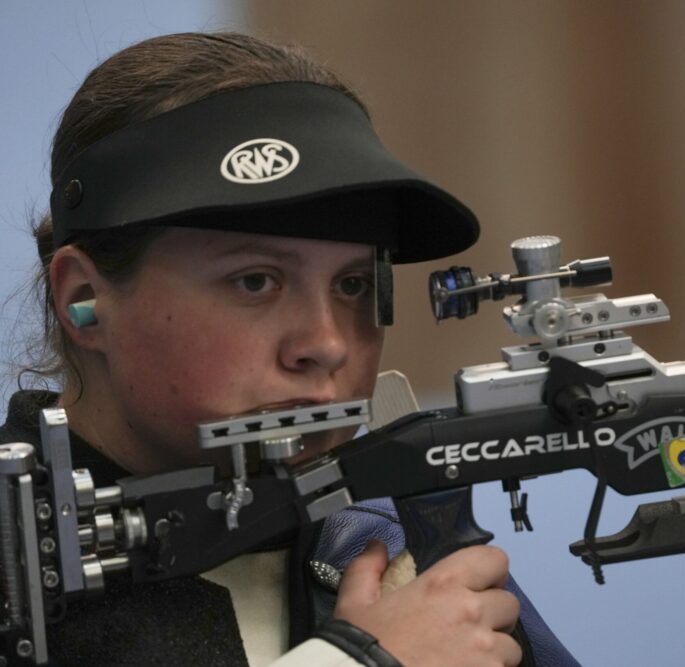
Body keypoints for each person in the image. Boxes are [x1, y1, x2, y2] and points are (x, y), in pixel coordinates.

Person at [1, 31, 579, 667]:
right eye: (256, 281)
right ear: (84, 300)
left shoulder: (389, 538)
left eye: (354, 284)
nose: (328, 344)